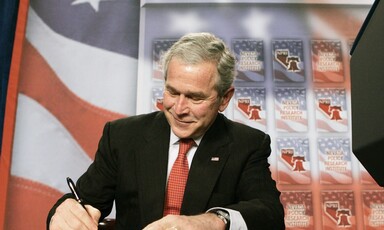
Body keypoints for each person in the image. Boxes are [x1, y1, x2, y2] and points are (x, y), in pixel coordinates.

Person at [47, 32, 285, 230]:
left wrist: (213, 221)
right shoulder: (122, 136)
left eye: (194, 97)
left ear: (224, 98)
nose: (179, 108)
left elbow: (269, 214)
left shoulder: (247, 144)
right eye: (172, 92)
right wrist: (64, 213)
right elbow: (84, 202)